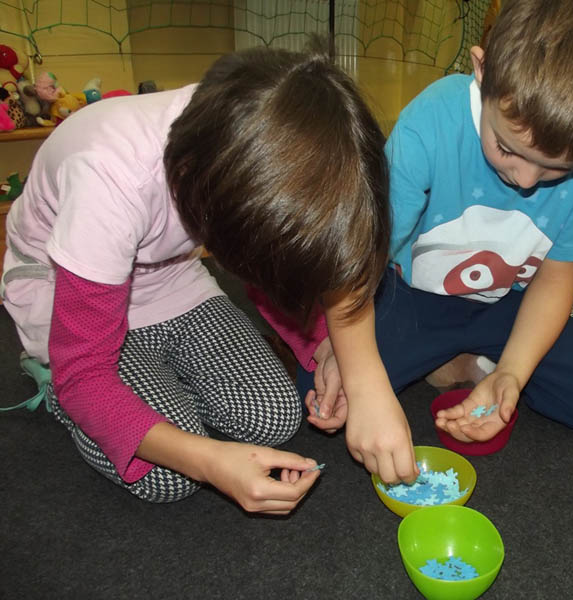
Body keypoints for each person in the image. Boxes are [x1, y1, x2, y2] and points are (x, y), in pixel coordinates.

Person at [261, 0, 573, 485]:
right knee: (327, 391)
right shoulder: (431, 120)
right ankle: (450, 360)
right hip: (410, 294)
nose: (526, 181)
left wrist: (511, 373)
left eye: (558, 169)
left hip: (512, 300)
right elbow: (358, 261)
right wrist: (364, 382)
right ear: (482, 72)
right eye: (508, 148)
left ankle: (465, 362)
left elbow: (557, 276)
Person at [1, 39, 391, 514]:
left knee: (274, 416)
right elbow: (84, 372)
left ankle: (154, 387)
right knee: (169, 474)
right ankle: (59, 381)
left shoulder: (241, 131)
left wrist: (323, 347)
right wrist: (207, 461)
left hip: (167, 274)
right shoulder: (108, 178)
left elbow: (269, 258)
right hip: (66, 290)